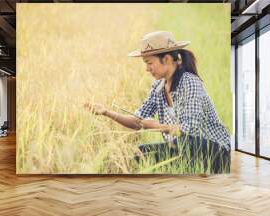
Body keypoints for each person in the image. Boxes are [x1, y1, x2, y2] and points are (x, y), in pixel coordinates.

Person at [84, 31, 230, 174]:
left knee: (187, 145)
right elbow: (137, 121)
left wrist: (157, 126)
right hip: (183, 147)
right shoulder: (158, 87)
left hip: (215, 149)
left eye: (149, 63)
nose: (147, 69)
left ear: (166, 59)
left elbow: (189, 130)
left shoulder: (189, 82)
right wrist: (106, 112)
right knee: (140, 153)